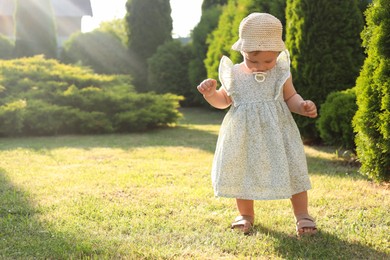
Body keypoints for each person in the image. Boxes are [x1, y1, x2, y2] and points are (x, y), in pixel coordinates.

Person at [196, 13, 318, 236]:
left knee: (292, 168)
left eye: (268, 61)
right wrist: (211, 94)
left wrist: (302, 106)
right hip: (243, 135)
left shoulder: (281, 71)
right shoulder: (233, 74)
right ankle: (245, 214)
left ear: (278, 54)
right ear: (242, 51)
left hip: (278, 133)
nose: (261, 66)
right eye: (253, 61)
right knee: (242, 170)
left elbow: (290, 97)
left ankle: (302, 214)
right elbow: (223, 101)